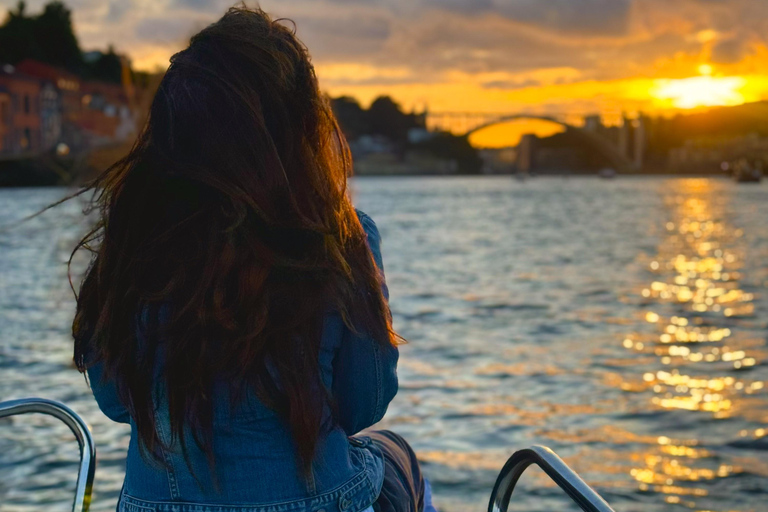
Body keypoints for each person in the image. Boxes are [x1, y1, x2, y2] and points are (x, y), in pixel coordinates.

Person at [72, 7, 426, 512]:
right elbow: (363, 403)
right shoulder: (341, 237)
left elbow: (114, 401)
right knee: (399, 458)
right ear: (299, 127)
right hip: (319, 501)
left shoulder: (132, 243)